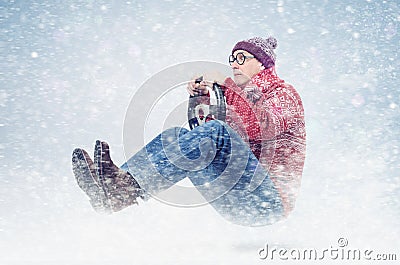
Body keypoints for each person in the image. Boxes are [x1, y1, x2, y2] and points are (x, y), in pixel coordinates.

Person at [72, 36, 306, 226]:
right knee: (175, 136)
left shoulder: (284, 94)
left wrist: (231, 86)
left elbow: (262, 126)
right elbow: (202, 138)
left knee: (218, 130)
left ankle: (123, 187)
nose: (234, 63)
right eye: (232, 58)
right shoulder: (236, 96)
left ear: (263, 63)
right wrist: (199, 98)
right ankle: (114, 191)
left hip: (268, 202)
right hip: (234, 197)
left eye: (241, 57)